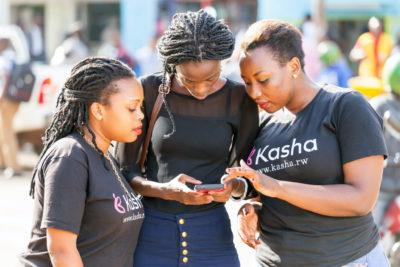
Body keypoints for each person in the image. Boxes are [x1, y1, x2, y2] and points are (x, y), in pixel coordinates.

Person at [224, 19, 389, 267]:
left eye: (264, 79)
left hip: (346, 260)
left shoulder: (345, 107)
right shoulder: (261, 122)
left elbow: (361, 199)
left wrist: (277, 187)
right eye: (248, 82)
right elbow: (260, 187)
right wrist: (249, 206)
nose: (255, 92)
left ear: (293, 66)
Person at [115, 10, 259, 267]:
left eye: (211, 79)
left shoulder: (239, 99)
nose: (201, 90)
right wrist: (166, 191)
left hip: (213, 236)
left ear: (222, 64)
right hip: (151, 234)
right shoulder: (148, 91)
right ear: (173, 65)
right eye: (189, 80)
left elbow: (244, 175)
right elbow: (125, 172)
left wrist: (232, 188)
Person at [20, 57, 145, 267]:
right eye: (132, 108)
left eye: (141, 107)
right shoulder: (70, 157)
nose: (140, 115)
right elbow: (61, 251)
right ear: (98, 110)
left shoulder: (104, 155)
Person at [370, 53, 400, 226]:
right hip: (384, 185)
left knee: (373, 231)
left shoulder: (377, 105)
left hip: (382, 183)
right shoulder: (379, 106)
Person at [0, 37, 22, 178]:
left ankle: (13, 166)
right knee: (4, 131)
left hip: (6, 99)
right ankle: (5, 163)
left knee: (7, 133)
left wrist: (2, 94)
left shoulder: (6, 57)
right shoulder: (12, 56)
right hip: (12, 98)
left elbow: (7, 76)